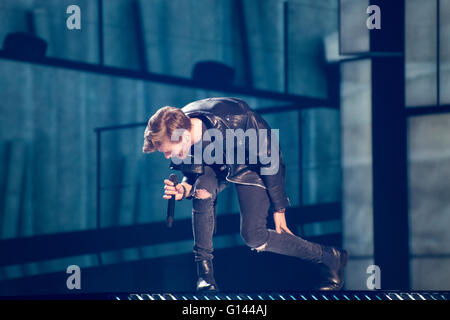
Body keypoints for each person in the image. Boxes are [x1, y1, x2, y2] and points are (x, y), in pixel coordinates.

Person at [142, 97, 347, 291]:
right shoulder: (181, 132)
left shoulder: (236, 118)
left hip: (252, 165)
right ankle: (205, 276)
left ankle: (329, 257)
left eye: (170, 151)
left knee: (253, 236)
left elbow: (271, 158)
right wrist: (184, 189)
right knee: (201, 191)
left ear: (185, 136)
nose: (168, 157)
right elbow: (193, 177)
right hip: (219, 164)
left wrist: (279, 206)